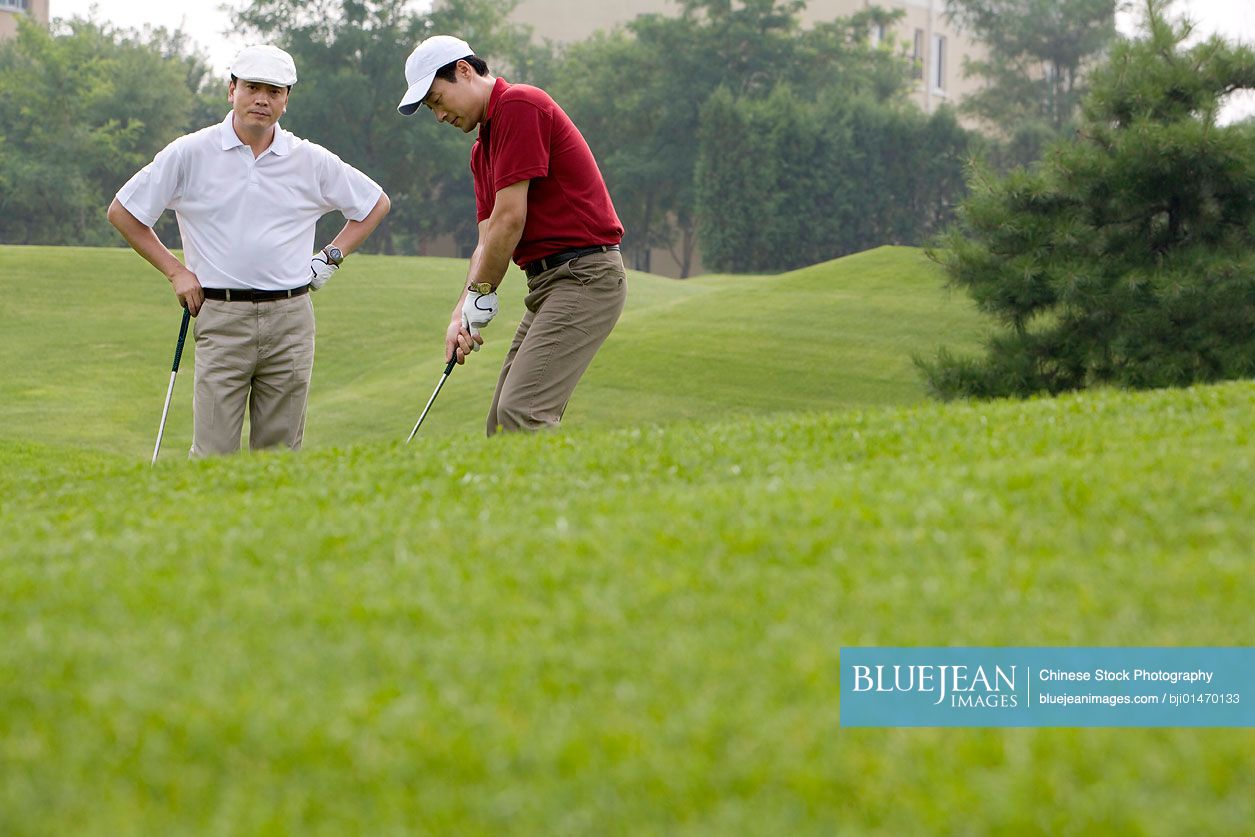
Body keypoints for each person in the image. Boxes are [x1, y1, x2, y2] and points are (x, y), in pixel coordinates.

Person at [108, 45, 390, 456]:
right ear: (231, 91)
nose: (262, 99)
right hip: (221, 316)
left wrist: (331, 256)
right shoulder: (191, 152)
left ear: (286, 99)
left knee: (278, 456)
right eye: (253, 87)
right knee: (213, 455)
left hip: (291, 319)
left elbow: (374, 203)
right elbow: (124, 212)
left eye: (274, 91)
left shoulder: (307, 158)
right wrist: (176, 271)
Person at [397, 36, 627, 435]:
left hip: (585, 276)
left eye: (437, 99)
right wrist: (460, 315)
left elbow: (509, 221)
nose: (438, 116)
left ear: (464, 71)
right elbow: (486, 240)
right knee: (502, 424)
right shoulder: (481, 151)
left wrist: (481, 293)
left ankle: (575, 498)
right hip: (550, 284)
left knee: (524, 411)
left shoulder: (520, 105)